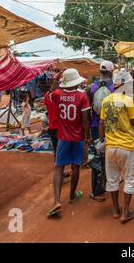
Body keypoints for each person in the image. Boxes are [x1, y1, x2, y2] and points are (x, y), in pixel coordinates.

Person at [47, 68, 91, 217]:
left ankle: (57, 201)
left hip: (62, 138)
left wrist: (57, 79)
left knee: (59, 168)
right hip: (77, 138)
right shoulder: (82, 96)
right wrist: (88, 137)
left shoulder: (58, 95)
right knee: (75, 166)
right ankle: (72, 195)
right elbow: (85, 120)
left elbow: (51, 93)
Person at [99, 70, 134, 224]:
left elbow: (102, 122)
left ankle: (115, 209)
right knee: (129, 178)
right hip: (127, 146)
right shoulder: (128, 100)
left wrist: (102, 140)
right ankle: (125, 212)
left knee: (112, 179)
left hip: (110, 146)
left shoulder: (106, 100)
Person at [45, 74, 71, 184]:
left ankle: (60, 172)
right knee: (63, 152)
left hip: (51, 127)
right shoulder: (61, 96)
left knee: (57, 151)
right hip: (60, 128)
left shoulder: (47, 95)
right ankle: (59, 175)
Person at [86, 61, 115, 142]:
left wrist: (87, 128)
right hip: (113, 125)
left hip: (95, 123)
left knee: (97, 150)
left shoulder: (90, 87)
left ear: (100, 71)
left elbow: (87, 111)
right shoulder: (117, 87)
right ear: (111, 72)